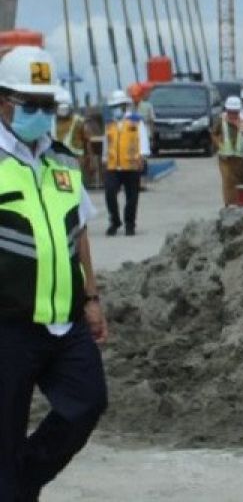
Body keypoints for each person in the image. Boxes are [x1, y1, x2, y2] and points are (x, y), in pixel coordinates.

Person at [0, 45, 108, 501]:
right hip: (8, 325)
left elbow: (78, 229)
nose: (42, 115)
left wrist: (91, 297)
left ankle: (21, 482)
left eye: (48, 106)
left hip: (65, 321)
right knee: (4, 433)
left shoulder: (62, 160)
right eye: (32, 105)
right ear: (3, 100)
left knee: (87, 402)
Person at [102, 90, 149, 237]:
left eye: (118, 106)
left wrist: (143, 155)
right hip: (113, 165)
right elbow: (106, 142)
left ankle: (130, 224)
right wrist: (104, 158)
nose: (116, 109)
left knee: (132, 197)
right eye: (114, 106)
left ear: (125, 106)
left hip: (132, 164)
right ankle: (114, 221)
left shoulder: (136, 121)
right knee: (110, 192)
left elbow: (143, 138)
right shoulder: (110, 124)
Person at [212, 96, 243, 206]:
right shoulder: (221, 120)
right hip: (225, 160)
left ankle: (242, 204)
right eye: (231, 112)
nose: (233, 114)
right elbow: (214, 134)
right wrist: (219, 145)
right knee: (228, 183)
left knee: (242, 183)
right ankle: (229, 206)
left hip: (240, 159)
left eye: (235, 112)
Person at [53, 88, 87, 157]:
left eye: (64, 108)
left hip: (77, 161)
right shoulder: (50, 123)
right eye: (60, 108)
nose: (62, 111)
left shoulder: (80, 122)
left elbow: (88, 146)